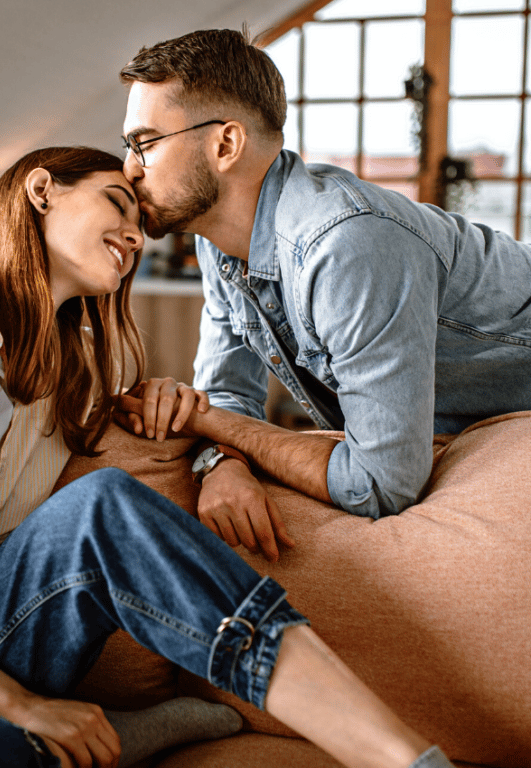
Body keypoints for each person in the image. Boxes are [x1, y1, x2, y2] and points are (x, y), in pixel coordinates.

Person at [0, 146, 455, 768]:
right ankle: (118, 737)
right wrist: (18, 702)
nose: (135, 234)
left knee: (104, 506)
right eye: (117, 202)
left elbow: (182, 430)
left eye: (142, 224)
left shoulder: (87, 366)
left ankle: (405, 760)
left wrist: (221, 462)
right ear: (42, 191)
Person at [117, 28, 531, 556]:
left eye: (145, 143)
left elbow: (379, 485)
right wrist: (221, 463)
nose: (129, 168)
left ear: (225, 144)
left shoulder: (344, 245)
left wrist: (211, 423)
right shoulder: (221, 245)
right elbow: (226, 392)